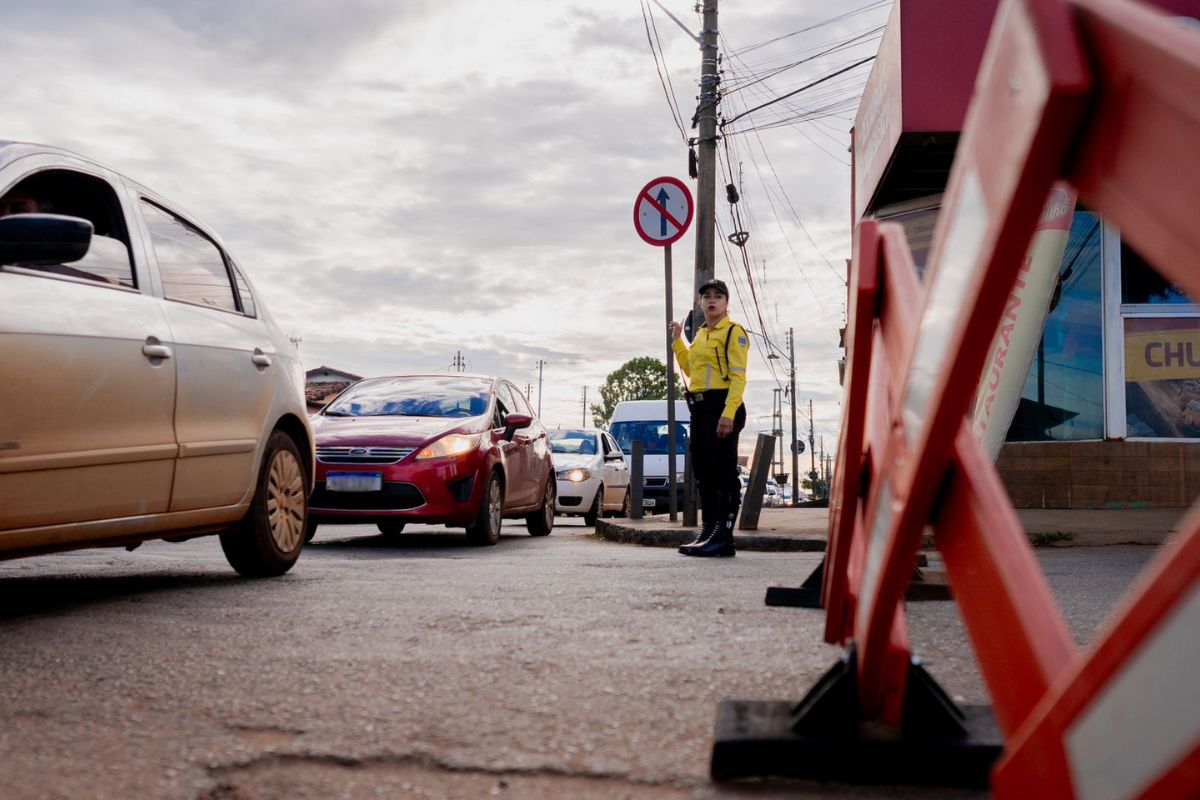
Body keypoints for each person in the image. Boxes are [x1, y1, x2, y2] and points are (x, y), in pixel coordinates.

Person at [669, 278, 749, 557]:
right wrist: (678, 341)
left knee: (723, 471)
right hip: (701, 408)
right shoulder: (701, 334)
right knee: (703, 470)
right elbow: (691, 371)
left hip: (723, 404)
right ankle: (709, 529)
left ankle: (724, 536)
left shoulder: (733, 332)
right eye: (706, 297)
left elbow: (739, 377)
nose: (711, 301)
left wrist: (728, 414)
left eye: (718, 296)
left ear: (726, 304)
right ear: (701, 304)